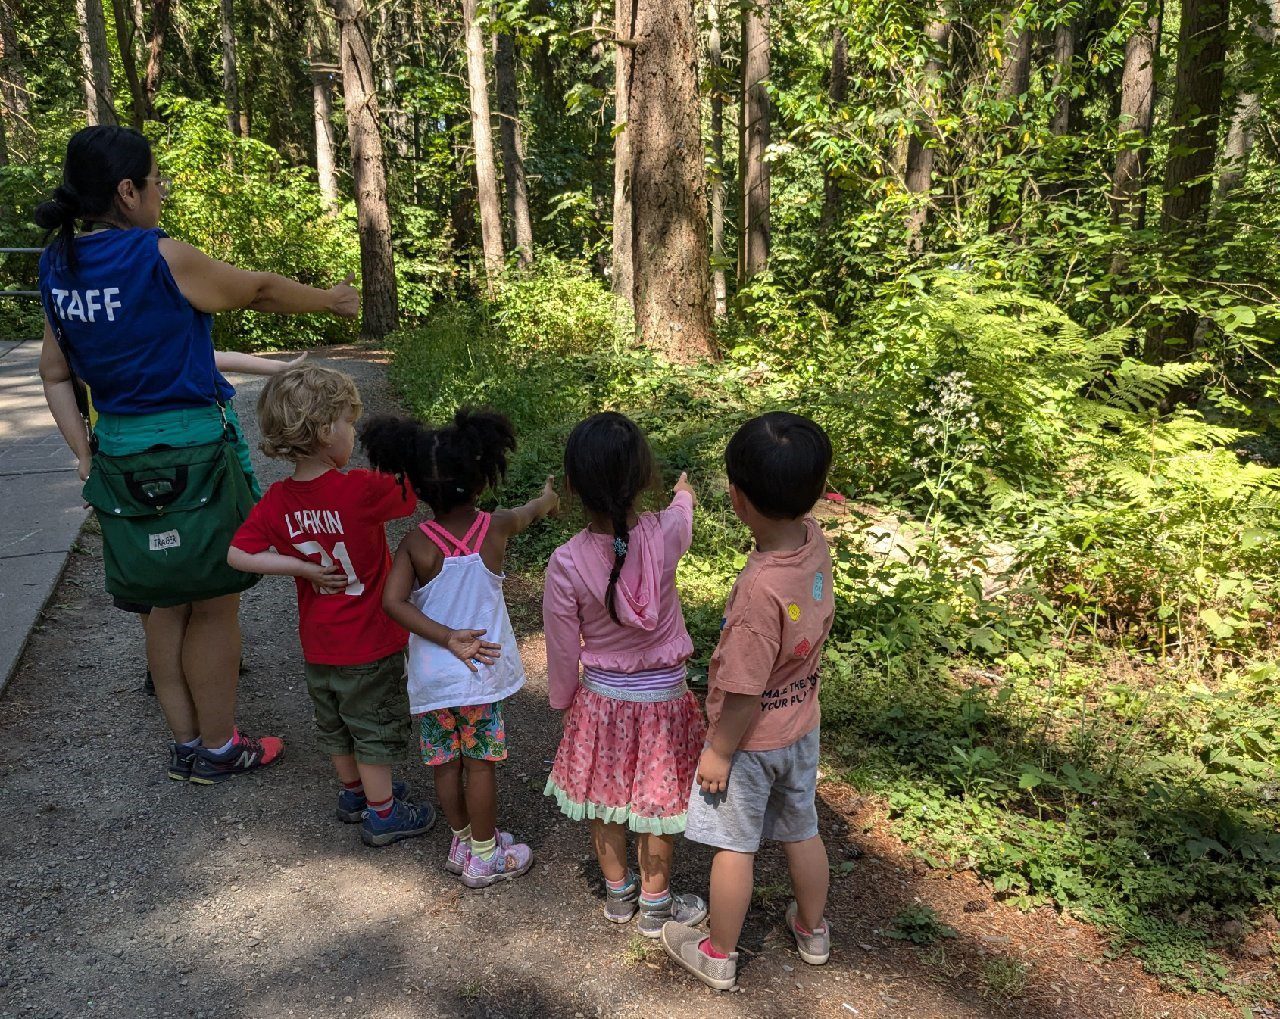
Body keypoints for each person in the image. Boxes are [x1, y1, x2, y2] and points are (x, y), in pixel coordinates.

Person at [35, 124, 358, 783]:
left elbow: (55, 372)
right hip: (192, 458)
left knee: (163, 601)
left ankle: (187, 743)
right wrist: (329, 301)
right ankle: (219, 746)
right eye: (156, 182)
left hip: (120, 455)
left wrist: (85, 453)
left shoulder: (57, 264)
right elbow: (257, 289)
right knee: (212, 600)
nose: (162, 193)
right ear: (127, 191)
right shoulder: (161, 257)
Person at [661, 412, 836, 991]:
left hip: (751, 743)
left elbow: (743, 690)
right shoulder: (813, 542)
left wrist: (718, 751)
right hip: (801, 725)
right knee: (801, 828)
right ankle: (812, 929)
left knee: (733, 847)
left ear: (737, 499)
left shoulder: (759, 591)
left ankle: (718, 953)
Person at [226, 365, 433, 843]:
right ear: (325, 432)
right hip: (370, 640)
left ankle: (354, 793)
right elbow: (413, 493)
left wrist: (300, 567)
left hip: (320, 644)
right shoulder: (360, 488)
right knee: (373, 728)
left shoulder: (278, 499)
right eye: (349, 423)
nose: (354, 433)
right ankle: (383, 814)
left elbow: (238, 554)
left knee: (337, 723)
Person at [367, 409, 557, 887]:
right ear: (481, 479)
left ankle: (462, 841)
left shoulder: (415, 543)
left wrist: (444, 637)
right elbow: (531, 512)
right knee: (481, 764)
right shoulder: (495, 527)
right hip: (477, 675)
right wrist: (548, 498)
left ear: (418, 488)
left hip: (434, 679)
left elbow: (392, 602)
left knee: (445, 765)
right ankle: (485, 856)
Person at [542, 412, 708, 937]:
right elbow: (682, 511)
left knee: (604, 798)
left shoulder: (566, 562)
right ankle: (656, 906)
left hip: (601, 702)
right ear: (643, 479)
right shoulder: (667, 533)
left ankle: (619, 897)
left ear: (572, 486)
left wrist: (564, 702)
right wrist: (684, 493)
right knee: (657, 801)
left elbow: (561, 646)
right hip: (665, 701)